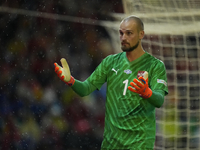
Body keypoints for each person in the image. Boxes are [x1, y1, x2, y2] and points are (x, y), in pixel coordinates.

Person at [54, 15, 168, 150]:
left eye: (129, 33)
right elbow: (85, 89)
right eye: (121, 33)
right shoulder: (110, 62)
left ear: (141, 34)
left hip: (139, 143)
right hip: (111, 143)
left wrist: (147, 93)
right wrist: (70, 81)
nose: (123, 38)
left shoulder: (155, 66)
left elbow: (160, 100)